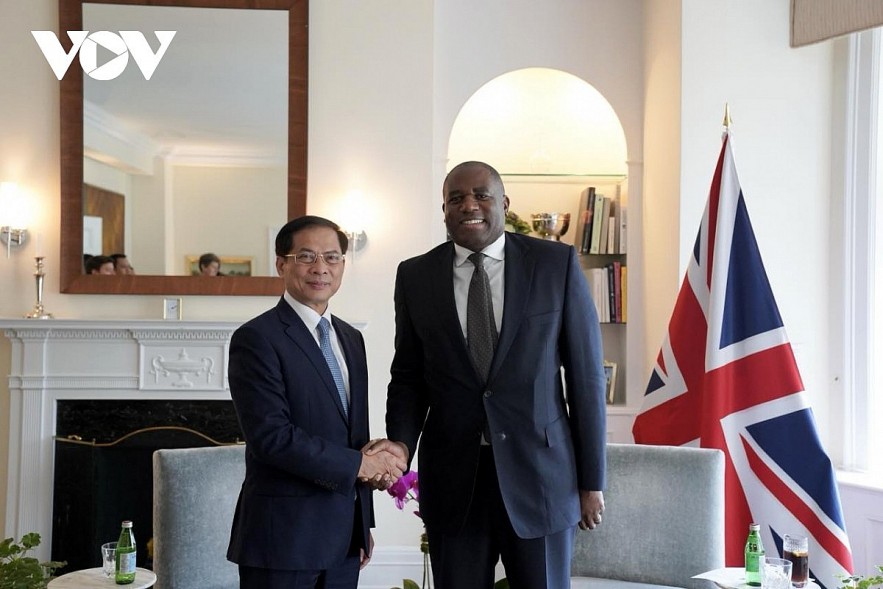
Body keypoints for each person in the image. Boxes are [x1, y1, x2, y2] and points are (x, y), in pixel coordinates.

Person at [371, 161, 608, 589]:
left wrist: (592, 481)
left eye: (481, 195)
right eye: (456, 198)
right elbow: (408, 375)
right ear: (443, 210)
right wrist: (400, 446)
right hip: (454, 481)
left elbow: (586, 380)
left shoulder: (555, 264)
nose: (469, 205)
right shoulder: (415, 275)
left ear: (504, 203)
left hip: (541, 477)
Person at [226, 215, 406, 589]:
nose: (321, 268)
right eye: (306, 256)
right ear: (281, 264)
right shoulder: (257, 338)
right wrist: (362, 463)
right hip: (283, 540)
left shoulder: (351, 339)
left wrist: (362, 526)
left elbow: (352, 435)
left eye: (332, 257)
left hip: (343, 541)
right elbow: (271, 438)